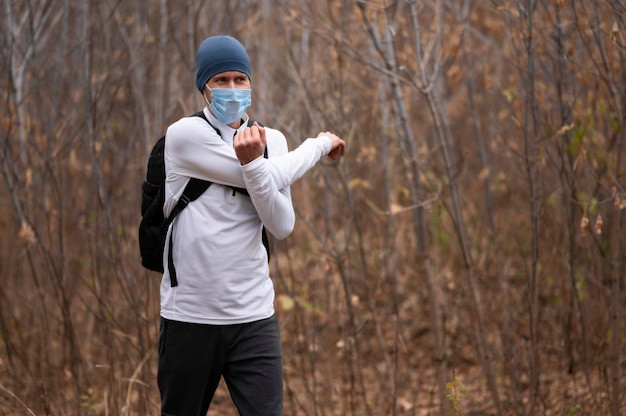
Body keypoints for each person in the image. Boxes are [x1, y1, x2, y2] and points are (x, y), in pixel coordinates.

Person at [157, 34, 346, 416]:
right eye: (221, 80)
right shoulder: (184, 137)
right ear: (204, 87)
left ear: (250, 83)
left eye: (239, 79)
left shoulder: (272, 139)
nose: (232, 89)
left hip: (254, 317)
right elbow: (267, 174)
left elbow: (282, 225)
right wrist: (319, 144)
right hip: (191, 318)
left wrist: (256, 163)